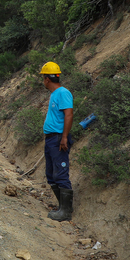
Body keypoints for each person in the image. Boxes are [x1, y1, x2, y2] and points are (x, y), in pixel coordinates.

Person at [40, 61, 74, 222]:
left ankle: (66, 212)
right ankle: (62, 207)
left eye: (43, 78)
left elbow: (69, 114)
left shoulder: (63, 93)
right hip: (51, 139)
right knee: (51, 174)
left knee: (60, 173)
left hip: (58, 138)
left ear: (47, 79)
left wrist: (65, 137)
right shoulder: (55, 94)